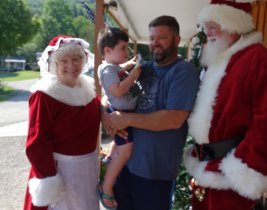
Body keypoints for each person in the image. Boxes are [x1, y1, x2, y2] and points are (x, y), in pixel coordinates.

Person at [183, 0, 267, 209]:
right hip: (208, 168)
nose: (208, 31)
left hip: (231, 176)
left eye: (215, 24)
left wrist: (242, 168)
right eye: (206, 25)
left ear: (235, 24)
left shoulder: (258, 60)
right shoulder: (221, 59)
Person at [104, 15, 200, 210]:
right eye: (151, 38)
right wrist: (108, 119)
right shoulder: (143, 68)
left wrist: (126, 119)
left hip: (155, 172)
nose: (154, 43)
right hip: (126, 165)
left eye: (161, 38)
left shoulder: (184, 71)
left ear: (177, 40)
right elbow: (109, 93)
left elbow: (174, 118)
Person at [23, 35, 101, 210]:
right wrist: (49, 179)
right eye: (63, 61)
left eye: (76, 59)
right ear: (54, 65)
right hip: (59, 173)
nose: (71, 66)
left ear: (83, 60)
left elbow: (99, 114)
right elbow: (36, 143)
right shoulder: (44, 96)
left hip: (87, 171)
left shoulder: (89, 91)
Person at [97, 27, 141, 210]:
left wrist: (130, 63)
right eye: (123, 48)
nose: (126, 52)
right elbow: (117, 90)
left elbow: (118, 69)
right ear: (108, 50)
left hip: (123, 114)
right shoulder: (108, 70)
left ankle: (109, 161)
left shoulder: (111, 67)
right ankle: (107, 186)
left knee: (119, 147)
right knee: (126, 151)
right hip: (121, 116)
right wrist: (133, 76)